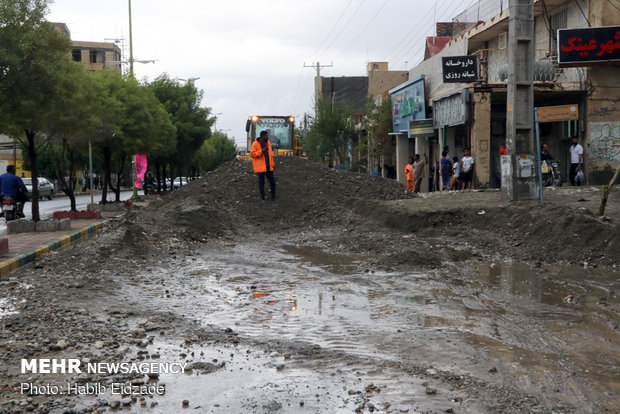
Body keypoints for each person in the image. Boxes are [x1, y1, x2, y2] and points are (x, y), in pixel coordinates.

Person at [250, 130, 276, 202]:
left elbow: (270, 155)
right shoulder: (255, 144)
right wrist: (262, 151)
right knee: (261, 183)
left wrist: (272, 164)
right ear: (262, 136)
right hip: (261, 167)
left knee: (272, 182)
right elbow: (252, 154)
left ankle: (273, 197)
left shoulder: (268, 143)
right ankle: (263, 197)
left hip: (268, 167)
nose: (267, 137)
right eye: (266, 136)